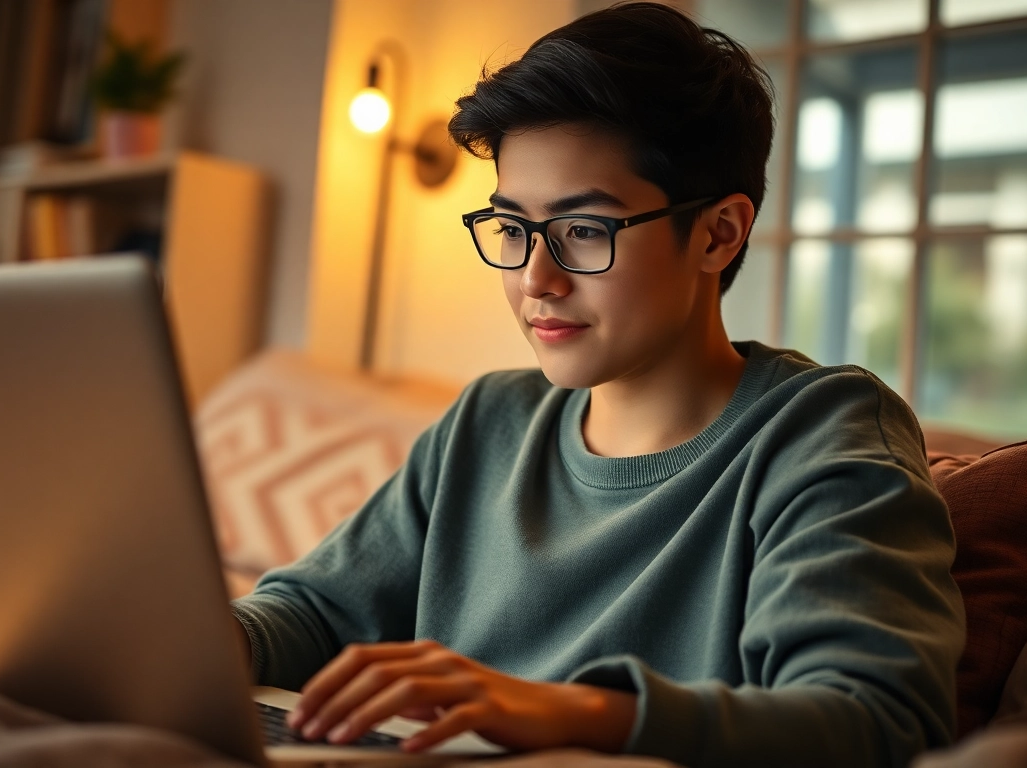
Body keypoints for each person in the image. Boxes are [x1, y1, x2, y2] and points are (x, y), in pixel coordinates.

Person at [230, 3, 965, 766]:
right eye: (512, 229)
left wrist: (573, 711)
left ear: (719, 233)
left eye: (583, 230)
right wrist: (211, 637)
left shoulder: (823, 432)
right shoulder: (489, 419)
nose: (534, 280)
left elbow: (875, 724)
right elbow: (316, 613)